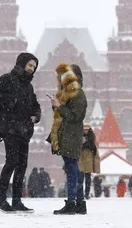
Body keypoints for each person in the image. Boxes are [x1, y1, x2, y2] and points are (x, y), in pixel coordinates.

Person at [0, 52, 41, 213]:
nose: (32, 69)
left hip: (24, 130)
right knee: (12, 161)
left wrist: (36, 115)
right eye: (30, 65)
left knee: (22, 165)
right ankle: (0, 198)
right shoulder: (7, 79)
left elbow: (35, 104)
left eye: (34, 67)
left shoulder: (28, 86)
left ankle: (17, 201)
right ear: (22, 64)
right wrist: (10, 106)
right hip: (10, 129)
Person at [48, 63, 88, 215]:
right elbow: (65, 114)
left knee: (72, 170)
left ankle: (72, 203)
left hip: (71, 136)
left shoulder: (78, 94)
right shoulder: (70, 93)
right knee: (72, 169)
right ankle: (79, 202)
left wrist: (59, 106)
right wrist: (55, 105)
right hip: (66, 136)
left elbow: (75, 116)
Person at [78, 123, 100, 200]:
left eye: (87, 129)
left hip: (88, 161)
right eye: (84, 129)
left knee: (88, 180)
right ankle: (80, 194)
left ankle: (86, 194)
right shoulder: (78, 137)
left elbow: (95, 150)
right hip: (81, 159)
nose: (85, 131)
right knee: (80, 179)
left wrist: (89, 146)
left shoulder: (92, 138)